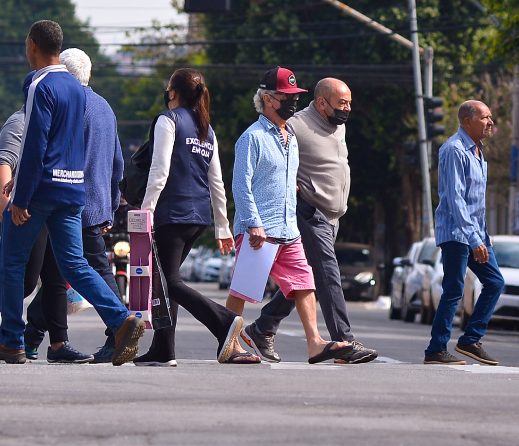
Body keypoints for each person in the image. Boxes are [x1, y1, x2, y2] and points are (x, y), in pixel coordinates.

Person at [0, 20, 144, 365]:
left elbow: (36, 142)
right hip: (73, 190)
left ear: (32, 45)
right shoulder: (76, 87)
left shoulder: (39, 84)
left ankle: (10, 340)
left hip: (41, 190)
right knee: (75, 264)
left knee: (11, 264)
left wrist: (20, 197)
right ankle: (121, 318)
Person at [243, 78, 378, 364]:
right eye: (343, 103)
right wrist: (287, 185)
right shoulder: (297, 124)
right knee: (328, 274)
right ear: (321, 102)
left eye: (349, 103)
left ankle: (263, 327)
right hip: (310, 213)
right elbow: (275, 151)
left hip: (333, 216)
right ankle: (345, 341)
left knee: (307, 279)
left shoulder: (339, 125)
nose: (348, 109)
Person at [224, 67, 351, 364]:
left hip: (288, 228)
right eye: (287, 96)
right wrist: (253, 223)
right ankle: (229, 343)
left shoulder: (290, 137)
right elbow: (240, 185)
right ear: (268, 99)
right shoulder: (251, 137)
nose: (292, 102)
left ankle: (315, 343)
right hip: (260, 229)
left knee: (305, 283)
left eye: (295, 96)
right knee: (244, 289)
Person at [134, 68, 248, 366]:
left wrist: (145, 213)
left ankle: (223, 321)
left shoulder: (167, 120)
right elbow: (217, 182)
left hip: (171, 214)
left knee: (169, 281)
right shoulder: (206, 129)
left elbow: (159, 170)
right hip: (198, 218)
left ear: (172, 92)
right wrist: (222, 226)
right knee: (167, 280)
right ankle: (163, 350)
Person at [24, 47, 125, 363]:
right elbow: (117, 162)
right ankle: (33, 336)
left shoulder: (67, 104)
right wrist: (109, 205)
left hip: (66, 201)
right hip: (96, 204)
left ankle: (119, 329)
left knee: (91, 269)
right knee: (58, 275)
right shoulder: (105, 108)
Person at [0, 108, 77, 363]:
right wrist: (4, 198)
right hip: (26, 209)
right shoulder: (21, 121)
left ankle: (59, 344)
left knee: (56, 278)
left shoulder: (60, 121)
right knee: (26, 282)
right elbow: (4, 161)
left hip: (55, 204)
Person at [423, 100, 504, 365]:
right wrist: (473, 239)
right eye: (484, 118)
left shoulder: (479, 153)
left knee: (494, 282)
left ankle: (470, 339)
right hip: (456, 233)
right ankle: (436, 349)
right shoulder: (454, 150)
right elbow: (454, 198)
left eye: (490, 117)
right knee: (454, 288)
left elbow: (475, 203)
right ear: (467, 122)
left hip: (476, 234)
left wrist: (481, 237)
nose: (490, 122)